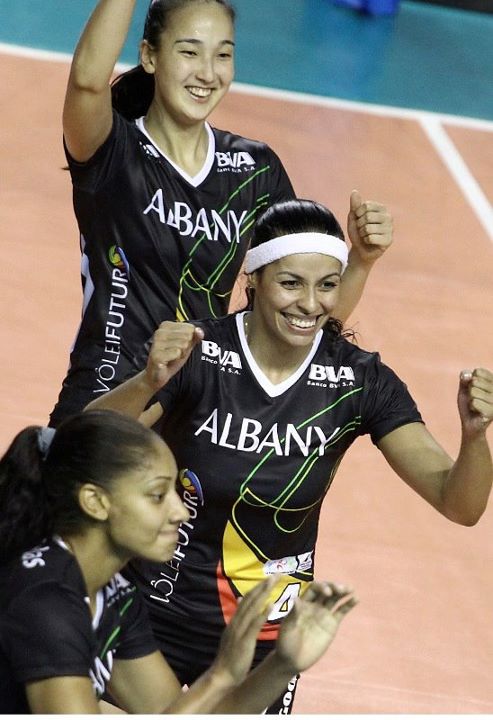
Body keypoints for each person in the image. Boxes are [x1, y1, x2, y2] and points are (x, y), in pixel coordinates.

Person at [88, 196, 493, 714]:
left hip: (263, 631)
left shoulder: (358, 381)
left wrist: (475, 437)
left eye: (327, 285)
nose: (310, 304)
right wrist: (147, 381)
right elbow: (86, 443)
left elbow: (459, 504)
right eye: (291, 283)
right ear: (254, 278)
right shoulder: (200, 352)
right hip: (152, 610)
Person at [49, 0, 392, 427]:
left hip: (196, 423)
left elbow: (303, 317)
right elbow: (86, 82)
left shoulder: (255, 170)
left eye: (223, 54)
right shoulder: (114, 153)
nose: (208, 73)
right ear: (150, 56)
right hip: (105, 403)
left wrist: (361, 260)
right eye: (189, 52)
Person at [0, 409, 357, 714]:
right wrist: (221, 675)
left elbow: (177, 712)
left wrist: (281, 665)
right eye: (158, 496)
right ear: (95, 502)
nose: (181, 512)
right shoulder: (45, 600)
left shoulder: (114, 595)